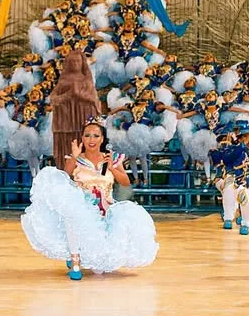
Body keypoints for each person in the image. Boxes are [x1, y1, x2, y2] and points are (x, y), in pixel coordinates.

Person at [21, 118, 158, 280]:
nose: (91, 140)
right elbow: (64, 176)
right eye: (87, 136)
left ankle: (82, 253)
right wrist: (74, 156)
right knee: (72, 214)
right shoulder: (77, 158)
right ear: (82, 138)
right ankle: (75, 260)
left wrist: (113, 168)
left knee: (99, 270)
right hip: (82, 208)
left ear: (102, 138)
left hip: (106, 210)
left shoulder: (112, 158)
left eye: (95, 136)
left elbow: (125, 182)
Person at [49, 49, 101, 170]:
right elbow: (53, 98)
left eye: (78, 61)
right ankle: (65, 170)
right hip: (65, 120)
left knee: (84, 143)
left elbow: (94, 99)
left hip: (83, 118)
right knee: (67, 147)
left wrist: (80, 95)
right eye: (72, 61)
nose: (75, 64)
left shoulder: (86, 79)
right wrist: (68, 95)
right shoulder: (63, 80)